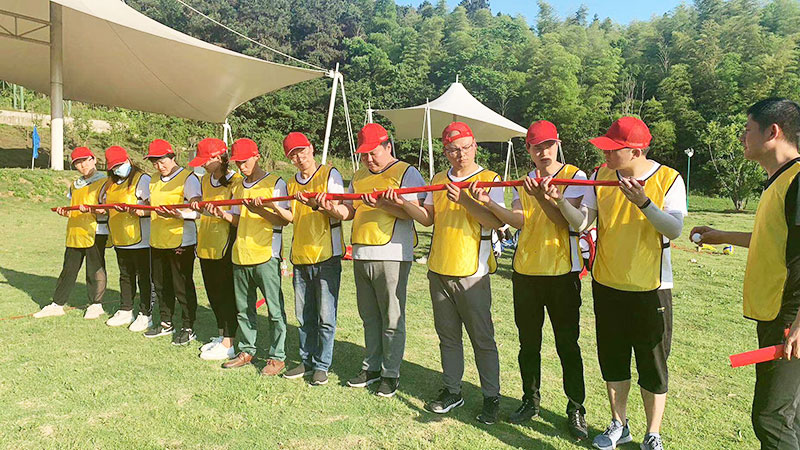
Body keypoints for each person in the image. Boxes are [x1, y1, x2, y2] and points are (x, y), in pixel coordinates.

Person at [553, 117, 686, 450]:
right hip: (607, 285)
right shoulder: (601, 176)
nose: (606, 155)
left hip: (651, 287)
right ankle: (619, 424)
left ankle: (652, 433)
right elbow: (583, 222)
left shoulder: (669, 179)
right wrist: (560, 201)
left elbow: (673, 229)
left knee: (652, 366)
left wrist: (643, 202)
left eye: (613, 150)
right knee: (613, 361)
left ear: (636, 151)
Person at [692, 98, 800, 450]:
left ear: (773, 132)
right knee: (788, 417)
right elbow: (773, 240)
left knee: (772, 418)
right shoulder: (779, 181)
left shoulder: (798, 180)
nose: (741, 137)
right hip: (775, 313)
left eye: (747, 129)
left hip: (790, 317)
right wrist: (721, 236)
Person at [479, 120, 589, 439]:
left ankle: (576, 408)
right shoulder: (523, 181)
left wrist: (542, 197)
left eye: (548, 145)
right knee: (528, 344)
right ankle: (530, 400)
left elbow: (568, 223)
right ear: (527, 149)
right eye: (536, 147)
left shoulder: (575, 177)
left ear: (558, 144)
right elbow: (519, 221)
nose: (543, 152)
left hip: (562, 272)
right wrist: (489, 203)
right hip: (526, 272)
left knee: (567, 344)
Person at [394, 122, 504, 424]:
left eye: (466, 148)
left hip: (473, 272)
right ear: (445, 152)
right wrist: (403, 202)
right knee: (448, 337)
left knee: (482, 338)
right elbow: (427, 218)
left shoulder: (490, 179)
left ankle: (491, 396)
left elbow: (495, 222)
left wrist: (466, 200)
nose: (461, 154)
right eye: (453, 150)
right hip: (439, 268)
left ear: (475, 146)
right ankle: (453, 390)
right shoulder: (439, 179)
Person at [340, 123, 426, 398]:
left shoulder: (406, 172)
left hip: (392, 254)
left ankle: (391, 373)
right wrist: (329, 207)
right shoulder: (358, 175)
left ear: (388, 146)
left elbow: (415, 214)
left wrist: (385, 205)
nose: (368, 159)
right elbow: (349, 211)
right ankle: (372, 367)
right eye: (364, 154)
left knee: (391, 317)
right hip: (361, 253)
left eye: (373, 153)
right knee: (369, 317)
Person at [221, 138, 291, 376]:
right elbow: (239, 219)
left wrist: (261, 210)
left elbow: (284, 220)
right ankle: (246, 350)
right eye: (238, 163)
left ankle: (277, 356)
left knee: (274, 310)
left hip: (266, 255)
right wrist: (222, 214)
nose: (241, 166)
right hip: (241, 254)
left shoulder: (276, 183)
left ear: (257, 157)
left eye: (245, 161)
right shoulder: (239, 186)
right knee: (243, 309)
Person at [281, 132, 345, 386]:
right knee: (304, 316)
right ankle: (306, 360)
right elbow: (291, 217)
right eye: (293, 155)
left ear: (311, 148)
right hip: (300, 256)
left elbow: (340, 212)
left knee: (325, 316)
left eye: (302, 151)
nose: (300, 158)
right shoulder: (290, 184)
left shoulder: (330, 175)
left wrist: (318, 205)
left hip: (326, 255)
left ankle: (322, 365)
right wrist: (270, 207)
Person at [35, 147, 109, 320]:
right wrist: (65, 212)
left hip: (95, 230)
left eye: (85, 161)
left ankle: (96, 304)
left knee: (94, 269)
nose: (83, 165)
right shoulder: (75, 185)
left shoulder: (105, 181)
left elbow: (107, 209)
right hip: (75, 230)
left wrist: (92, 210)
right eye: (78, 163)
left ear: (93, 160)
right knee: (69, 269)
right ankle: (57, 304)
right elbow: (73, 207)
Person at [142, 139, 202, 346]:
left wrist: (180, 214)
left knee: (182, 286)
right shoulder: (153, 179)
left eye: (162, 161)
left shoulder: (188, 178)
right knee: (160, 285)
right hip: (157, 239)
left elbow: (198, 210)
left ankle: (188, 326)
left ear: (172, 157)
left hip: (181, 241)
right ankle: (166, 322)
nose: (159, 166)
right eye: (155, 162)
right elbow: (149, 204)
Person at [188, 138, 241, 361]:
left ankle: (230, 342)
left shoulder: (236, 181)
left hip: (225, 244)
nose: (202, 165)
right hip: (206, 242)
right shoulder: (205, 180)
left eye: (205, 161)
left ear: (219, 158)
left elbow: (239, 219)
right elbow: (202, 207)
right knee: (213, 293)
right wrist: (197, 201)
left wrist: (221, 214)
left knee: (226, 293)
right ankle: (221, 336)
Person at [102, 145, 154, 332]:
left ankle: (146, 313)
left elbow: (152, 206)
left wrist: (138, 211)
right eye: (114, 167)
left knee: (144, 277)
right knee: (125, 275)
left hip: (140, 239)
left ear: (129, 160)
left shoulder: (142, 179)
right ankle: (126, 309)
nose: (117, 169)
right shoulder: (111, 183)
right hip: (120, 237)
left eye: (120, 165)